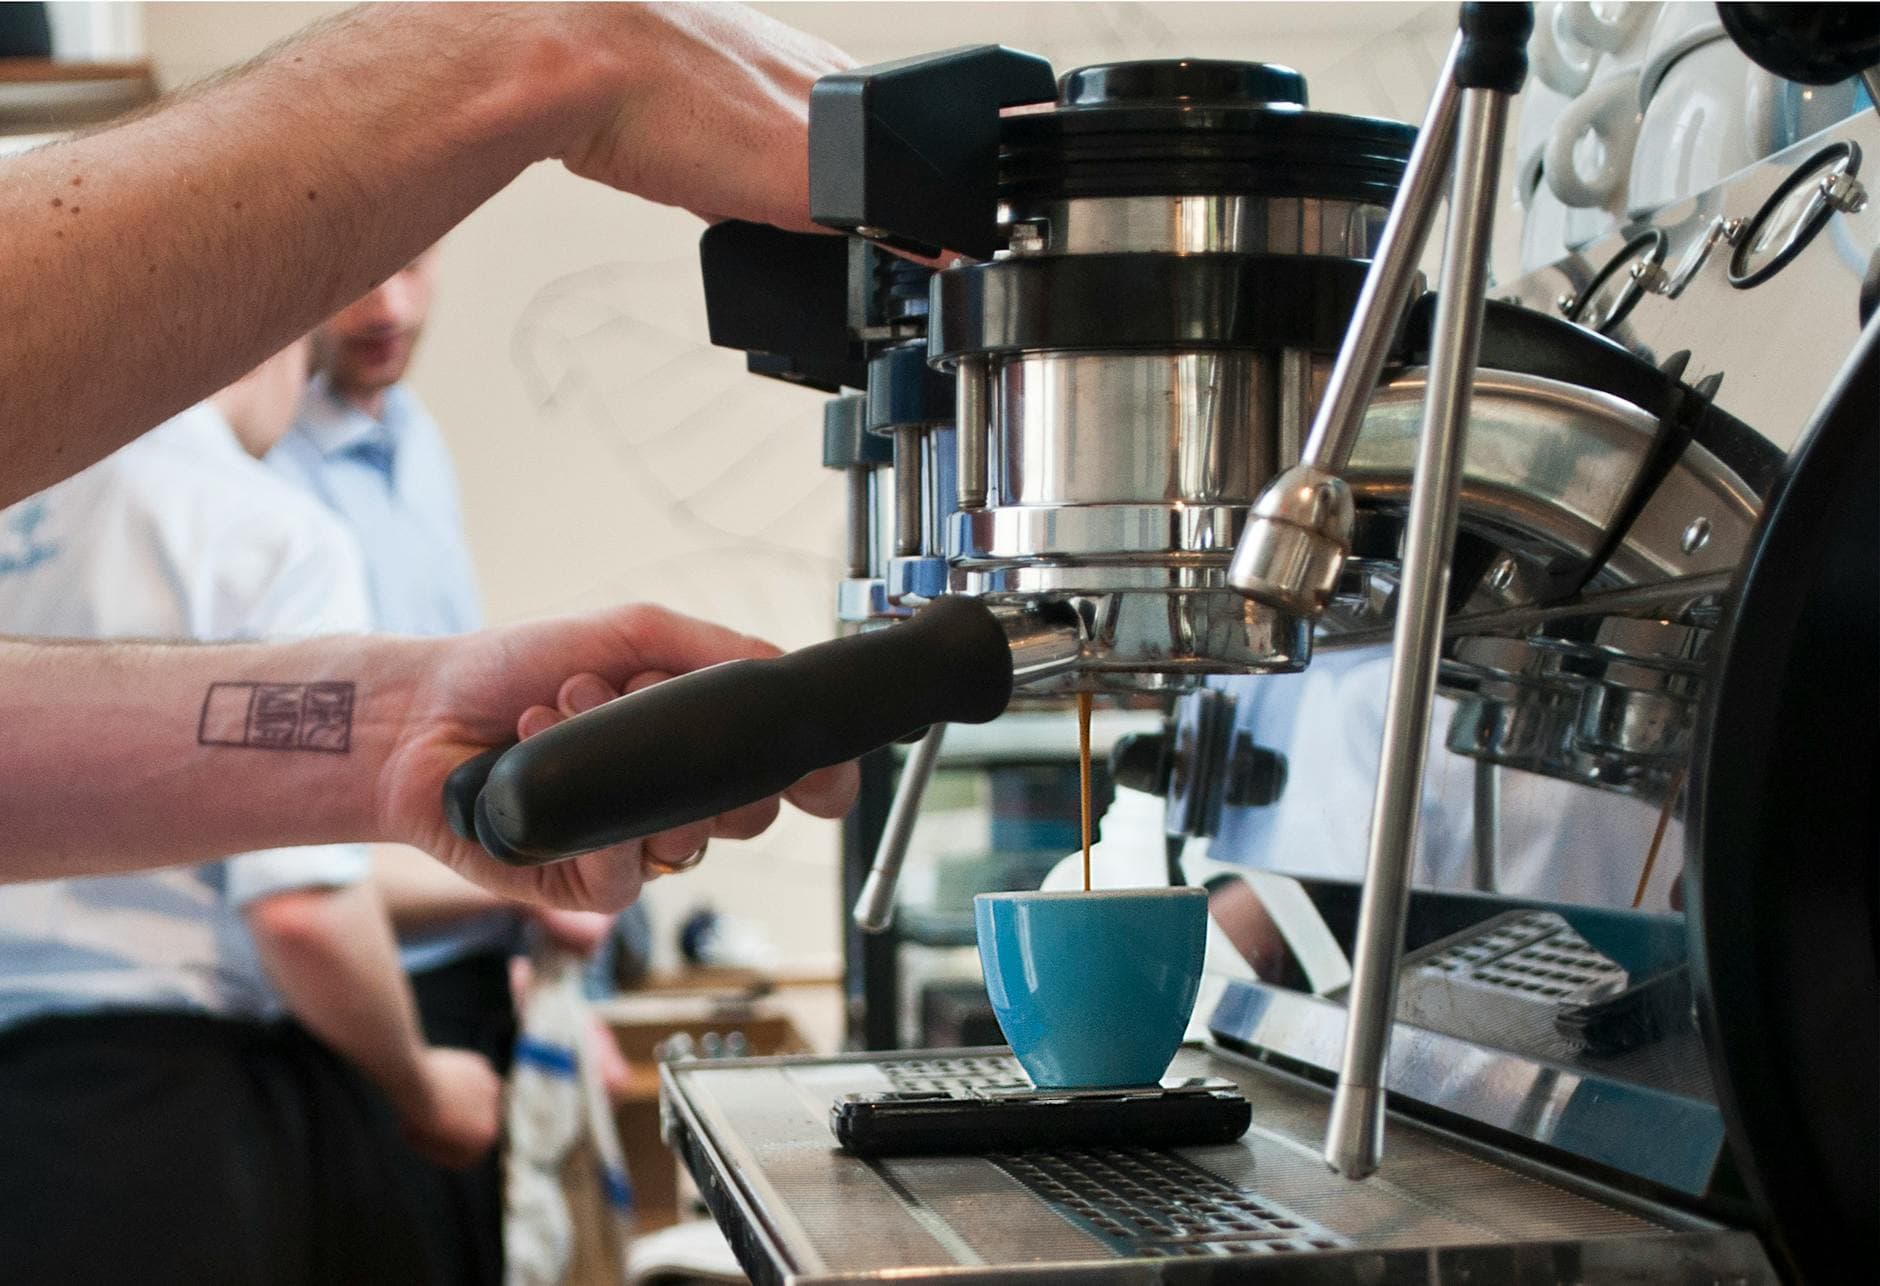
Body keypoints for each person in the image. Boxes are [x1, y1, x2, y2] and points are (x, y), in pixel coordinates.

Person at [0, 2, 859, 901]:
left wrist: (402, 730)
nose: (388, 310)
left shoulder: (413, 453)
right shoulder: (243, 507)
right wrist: (561, 52)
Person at [0, 343, 502, 1284]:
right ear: (275, 333)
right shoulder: (265, 532)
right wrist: (423, 1087)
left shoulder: (23, 510)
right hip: (150, 1118)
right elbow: (299, 907)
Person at [269, 247, 584, 1284]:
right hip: (351, 1013)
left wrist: (517, 924)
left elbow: (438, 759)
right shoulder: (262, 484)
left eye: (407, 263)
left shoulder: (415, 440)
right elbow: (297, 849)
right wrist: (524, 884)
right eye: (349, 272)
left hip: (465, 980)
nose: (385, 306)